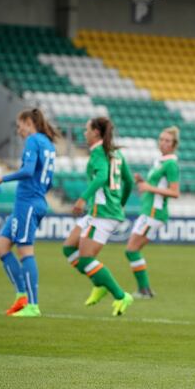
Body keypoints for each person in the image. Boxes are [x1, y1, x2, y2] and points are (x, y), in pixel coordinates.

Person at [61, 117, 135, 316]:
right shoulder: (115, 153)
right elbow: (129, 181)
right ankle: (99, 283)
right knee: (69, 248)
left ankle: (120, 296)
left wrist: (82, 198)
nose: (84, 133)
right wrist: (121, 204)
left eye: (86, 130)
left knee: (86, 260)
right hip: (100, 211)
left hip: (103, 213)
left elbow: (102, 176)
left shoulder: (98, 153)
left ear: (95, 132)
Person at [0, 108, 57, 317]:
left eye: (20, 126)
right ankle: (21, 296)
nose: (19, 131)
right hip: (30, 202)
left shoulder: (33, 140)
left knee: (25, 251)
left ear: (29, 122)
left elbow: (28, 171)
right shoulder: (48, 144)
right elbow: (50, 181)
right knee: (1, 247)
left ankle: (33, 305)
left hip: (27, 203)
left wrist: (3, 178)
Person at [125, 126, 181, 299]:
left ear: (174, 145)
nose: (163, 143)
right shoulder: (160, 161)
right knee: (133, 250)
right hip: (148, 211)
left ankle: (144, 290)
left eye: (167, 141)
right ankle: (145, 289)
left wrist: (148, 187)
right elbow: (156, 186)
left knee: (131, 249)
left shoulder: (171, 164)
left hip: (154, 213)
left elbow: (175, 192)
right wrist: (143, 181)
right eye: (161, 139)